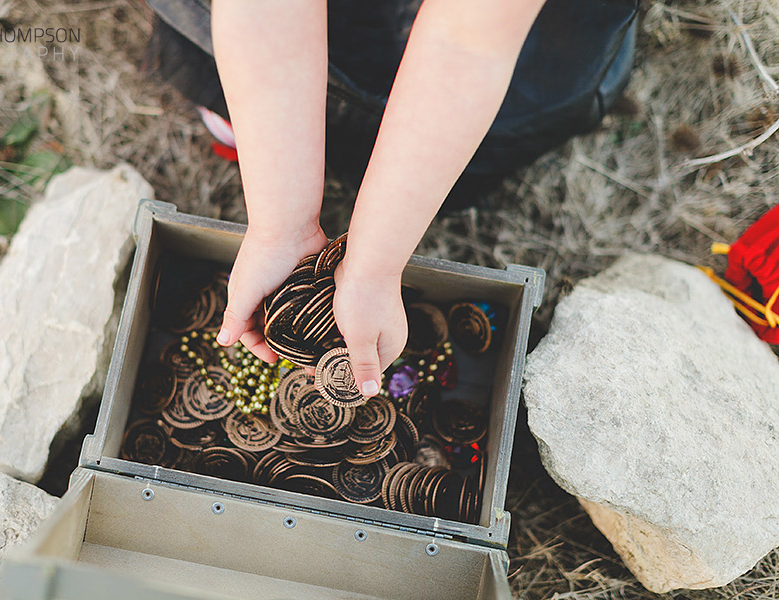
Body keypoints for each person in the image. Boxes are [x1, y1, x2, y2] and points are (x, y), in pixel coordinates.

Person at [146, 0, 639, 398]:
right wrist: (281, 223)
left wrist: (372, 267)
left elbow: (467, 45)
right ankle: (275, 121)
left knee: (460, 155)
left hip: (501, 36)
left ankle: (410, 166)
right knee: (270, 68)